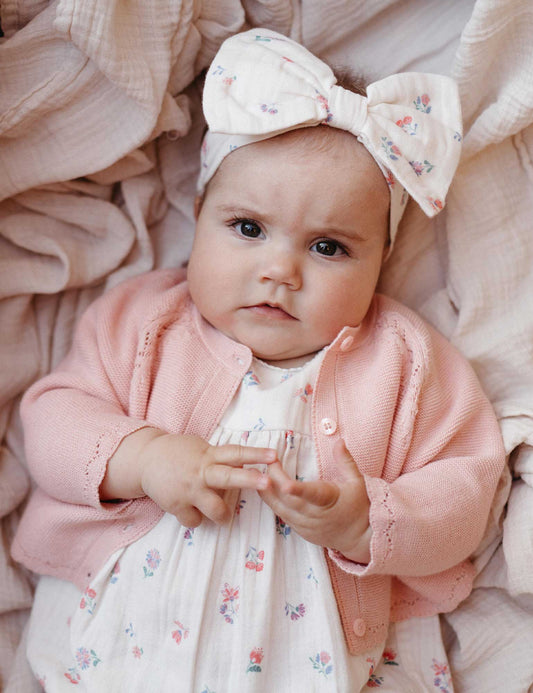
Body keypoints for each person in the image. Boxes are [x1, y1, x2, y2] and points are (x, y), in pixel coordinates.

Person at [13, 28, 505, 692]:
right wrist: (145, 457)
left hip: (319, 656)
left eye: (328, 247)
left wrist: (368, 521)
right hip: (120, 637)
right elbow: (51, 422)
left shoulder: (405, 360)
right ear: (198, 214)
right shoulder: (146, 321)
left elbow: (466, 489)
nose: (281, 271)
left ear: (381, 258)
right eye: (247, 229)